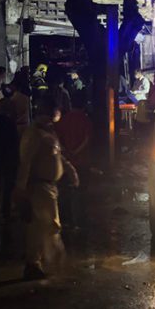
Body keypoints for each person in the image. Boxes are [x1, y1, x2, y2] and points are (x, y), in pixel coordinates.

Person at [16, 96, 78, 280]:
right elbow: (25, 163)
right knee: (47, 226)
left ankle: (40, 262)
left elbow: (58, 156)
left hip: (49, 187)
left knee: (43, 226)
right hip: (39, 187)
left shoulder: (49, 133)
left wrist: (70, 170)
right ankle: (40, 263)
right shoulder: (34, 134)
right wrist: (20, 189)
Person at [54, 91, 91, 230]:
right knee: (81, 192)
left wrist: (67, 151)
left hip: (66, 161)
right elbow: (87, 140)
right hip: (82, 162)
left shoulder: (64, 119)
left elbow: (57, 138)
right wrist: (77, 151)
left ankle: (66, 220)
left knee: (65, 192)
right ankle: (81, 221)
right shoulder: (85, 119)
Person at [0, 85, 21, 223]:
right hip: (9, 158)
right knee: (7, 186)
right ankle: (6, 212)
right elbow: (14, 142)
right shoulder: (10, 124)